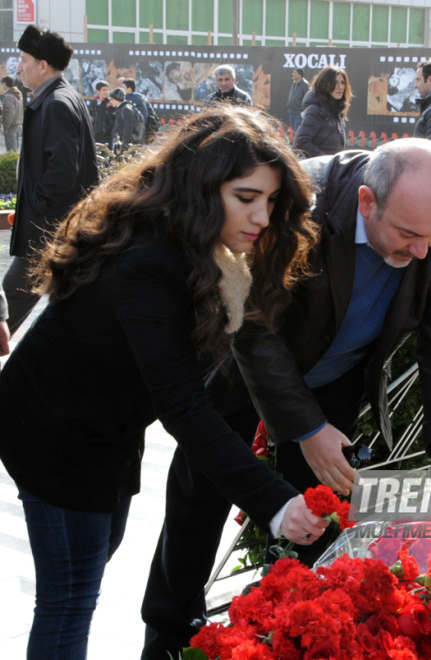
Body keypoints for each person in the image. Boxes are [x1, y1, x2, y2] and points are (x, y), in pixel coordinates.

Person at [0, 105, 327, 660]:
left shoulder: (196, 247)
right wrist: (274, 502)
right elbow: (185, 408)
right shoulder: (149, 260)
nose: (263, 217)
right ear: (202, 187)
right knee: (70, 597)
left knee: (89, 563)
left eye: (270, 202)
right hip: (52, 435)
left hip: (106, 430)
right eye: (246, 198)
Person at [141, 137, 431, 659]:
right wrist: (307, 428)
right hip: (238, 366)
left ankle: (297, 637)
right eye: (409, 234)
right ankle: (168, 640)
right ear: (367, 201)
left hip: (336, 379)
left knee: (318, 525)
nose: (422, 252)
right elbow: (253, 324)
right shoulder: (302, 201)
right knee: (199, 501)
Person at [2, 25, 98, 335]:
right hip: (57, 230)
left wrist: (36, 205)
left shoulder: (56, 104)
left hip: (47, 232)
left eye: (24, 58)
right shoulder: (59, 98)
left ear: (43, 66)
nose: (19, 65)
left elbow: (62, 172)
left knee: (8, 306)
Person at [293, 66, 350, 157]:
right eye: (335, 83)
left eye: (343, 82)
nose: (340, 87)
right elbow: (300, 142)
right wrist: (326, 161)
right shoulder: (315, 110)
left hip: (333, 169)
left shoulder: (337, 111)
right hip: (319, 169)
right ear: (325, 84)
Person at [1, 75, 23, 152]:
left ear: (4, 84)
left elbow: (9, 113)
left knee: (11, 151)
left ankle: (13, 165)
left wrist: (6, 126)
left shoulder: (9, 96)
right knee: (14, 150)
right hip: (18, 124)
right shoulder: (17, 94)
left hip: (11, 126)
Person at [91, 79, 114, 145]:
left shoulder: (110, 102)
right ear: (98, 91)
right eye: (103, 90)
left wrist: (106, 129)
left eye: (107, 89)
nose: (106, 92)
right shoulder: (94, 102)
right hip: (95, 135)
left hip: (106, 136)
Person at [287, 66, 309, 133]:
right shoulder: (294, 83)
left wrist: (303, 111)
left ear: (300, 75)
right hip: (291, 112)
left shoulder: (305, 85)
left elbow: (307, 99)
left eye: (295, 73)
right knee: (293, 132)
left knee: (297, 132)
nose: (293, 74)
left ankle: (297, 143)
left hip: (298, 114)